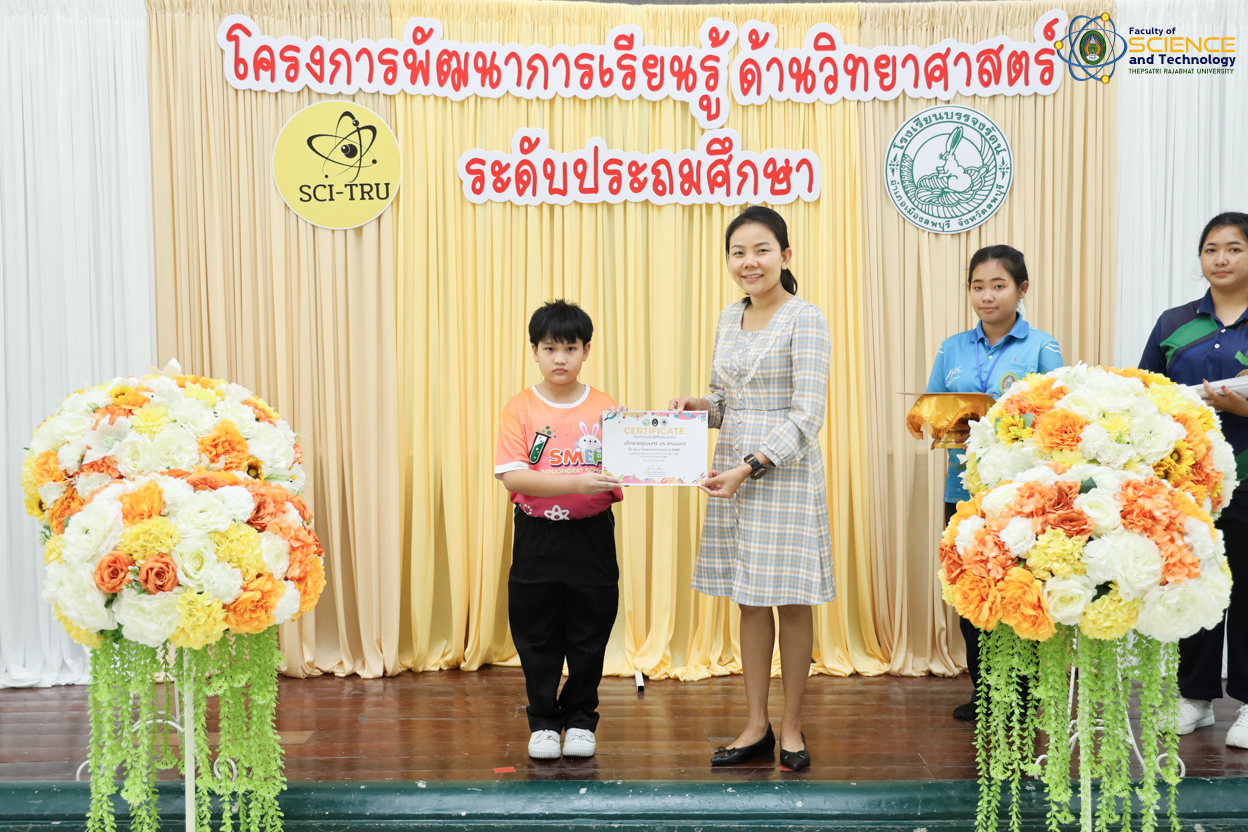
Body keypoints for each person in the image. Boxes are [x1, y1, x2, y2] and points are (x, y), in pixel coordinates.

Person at [670, 206, 833, 772]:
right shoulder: (727, 317)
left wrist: (750, 466)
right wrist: (699, 406)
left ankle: (791, 726)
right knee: (750, 599)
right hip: (733, 473)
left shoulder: (805, 319)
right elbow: (726, 401)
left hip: (782, 474)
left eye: (761, 250)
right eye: (738, 252)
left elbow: (808, 415)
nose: (749, 262)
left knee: (791, 600)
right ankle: (756, 724)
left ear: (784, 256)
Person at [926, 244, 1063, 720]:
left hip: (1021, 495)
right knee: (971, 590)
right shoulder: (952, 348)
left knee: (1019, 590)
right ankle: (984, 691)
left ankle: (1023, 692)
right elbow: (934, 411)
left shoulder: (1042, 346)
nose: (987, 296)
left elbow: (1057, 416)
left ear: (1022, 289)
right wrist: (949, 425)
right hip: (963, 491)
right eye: (977, 286)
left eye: (998, 286)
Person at [494, 300, 624, 760]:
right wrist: (577, 482)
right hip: (537, 534)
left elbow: (625, 469)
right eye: (550, 348)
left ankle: (582, 719)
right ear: (534, 351)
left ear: (587, 350)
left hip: (591, 533)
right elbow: (514, 478)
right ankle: (545, 722)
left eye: (570, 348)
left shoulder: (607, 409)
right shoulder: (520, 408)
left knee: (591, 629)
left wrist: (642, 440)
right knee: (537, 631)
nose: (560, 358)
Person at [1138, 211, 1248, 749]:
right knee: (1193, 584)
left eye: (1234, 249)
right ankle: (1195, 697)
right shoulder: (1173, 322)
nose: (1220, 259)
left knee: (1246, 589)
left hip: (1247, 477)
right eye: (1211, 249)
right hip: (1189, 483)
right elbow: (1145, 394)